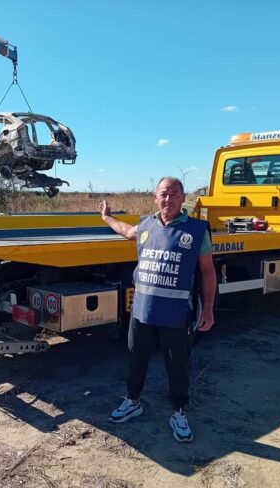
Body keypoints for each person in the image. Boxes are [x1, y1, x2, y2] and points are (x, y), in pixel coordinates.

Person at [100, 177, 216, 443]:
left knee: (177, 365)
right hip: (142, 310)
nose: (168, 198)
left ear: (183, 198)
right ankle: (132, 401)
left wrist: (208, 309)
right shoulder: (146, 225)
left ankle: (179, 412)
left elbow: (208, 271)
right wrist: (107, 218)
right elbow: (126, 230)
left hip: (175, 313)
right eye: (164, 193)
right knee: (136, 357)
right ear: (155, 198)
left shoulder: (196, 230)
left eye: (174, 194)